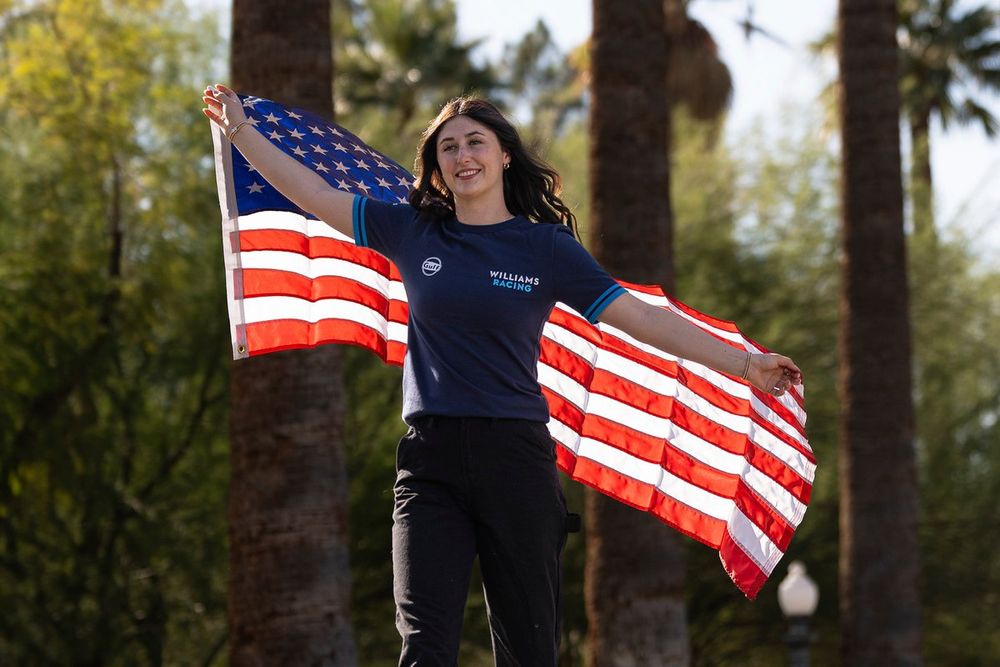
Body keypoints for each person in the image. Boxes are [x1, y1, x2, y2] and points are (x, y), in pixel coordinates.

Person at [202, 84, 802, 666]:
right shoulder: (412, 230)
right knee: (425, 646)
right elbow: (313, 193)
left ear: (504, 155)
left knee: (528, 649)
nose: (463, 156)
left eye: (475, 142)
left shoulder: (545, 249)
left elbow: (640, 318)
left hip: (515, 460)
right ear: (437, 167)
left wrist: (746, 365)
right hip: (430, 461)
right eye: (449, 147)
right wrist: (242, 131)